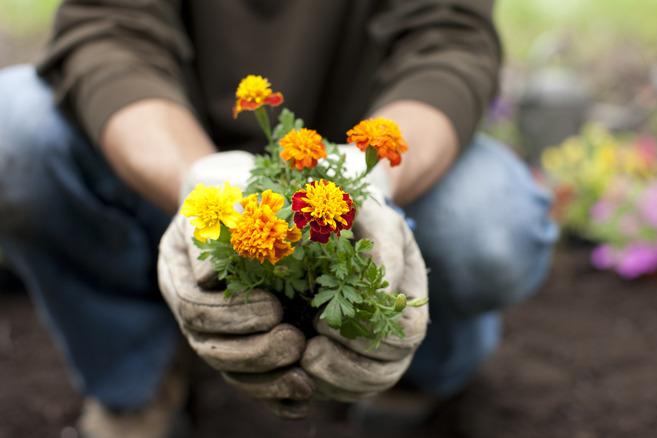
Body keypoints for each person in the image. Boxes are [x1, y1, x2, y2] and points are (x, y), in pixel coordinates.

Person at [0, 0, 558, 436]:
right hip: (169, 149)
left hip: (365, 148)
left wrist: (371, 180)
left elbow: (450, 42)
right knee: (13, 127)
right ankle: (136, 378)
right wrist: (200, 179)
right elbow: (107, 33)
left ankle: (420, 373)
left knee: (489, 224)